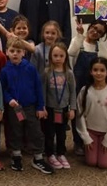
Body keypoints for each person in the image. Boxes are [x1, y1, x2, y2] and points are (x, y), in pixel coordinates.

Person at [0, 38, 53, 174]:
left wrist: (40, 107)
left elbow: (38, 88)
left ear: (24, 53)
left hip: (30, 107)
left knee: (35, 132)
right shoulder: (5, 71)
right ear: (7, 52)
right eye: (12, 51)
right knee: (15, 131)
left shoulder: (30, 68)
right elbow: (2, 89)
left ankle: (38, 158)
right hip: (14, 108)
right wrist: (9, 99)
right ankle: (16, 156)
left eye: (18, 51)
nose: (15, 54)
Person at [68, 18, 107, 155]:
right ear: (90, 27)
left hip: (93, 85)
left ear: (101, 35)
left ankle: (90, 140)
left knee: (91, 112)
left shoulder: (100, 47)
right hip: (78, 83)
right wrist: (79, 35)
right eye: (94, 28)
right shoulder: (79, 40)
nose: (95, 32)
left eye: (99, 32)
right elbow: (71, 52)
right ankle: (78, 142)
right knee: (78, 112)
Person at [76, 57, 107, 169]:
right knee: (91, 162)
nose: (98, 73)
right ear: (91, 72)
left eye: (102, 70)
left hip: (106, 133)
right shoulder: (85, 91)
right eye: (95, 70)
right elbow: (80, 115)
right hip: (91, 132)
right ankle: (93, 147)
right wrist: (86, 137)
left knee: (103, 164)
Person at [42, 42, 76, 170]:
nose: (58, 58)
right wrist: (43, 107)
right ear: (50, 56)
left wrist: (73, 109)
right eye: (55, 55)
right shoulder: (47, 72)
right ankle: (50, 154)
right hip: (49, 109)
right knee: (49, 133)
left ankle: (61, 154)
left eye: (61, 56)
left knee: (61, 133)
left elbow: (73, 92)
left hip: (63, 109)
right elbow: (43, 91)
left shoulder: (69, 73)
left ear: (65, 57)